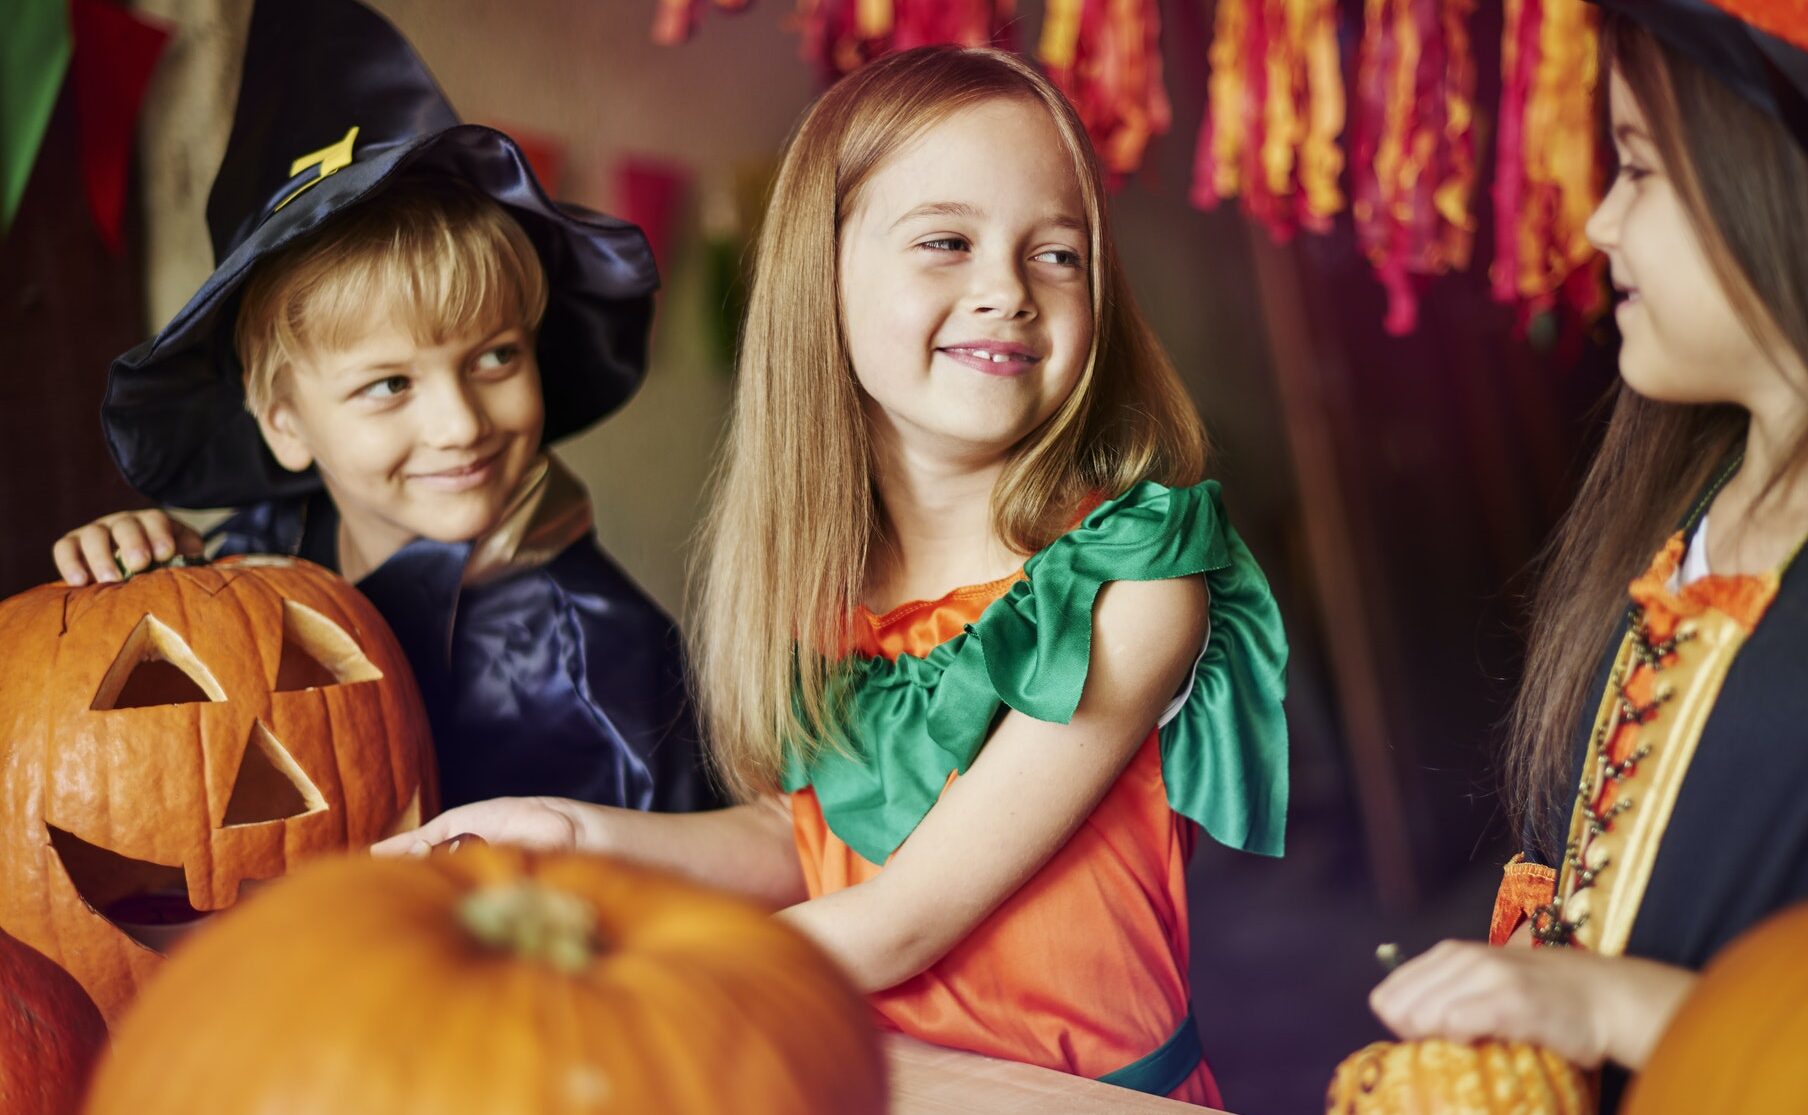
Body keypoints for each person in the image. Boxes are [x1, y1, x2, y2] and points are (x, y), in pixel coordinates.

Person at [378, 45, 1290, 1107]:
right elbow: (804, 839)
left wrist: (612, 975)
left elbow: (901, 917)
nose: (1005, 289)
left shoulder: (1130, 584)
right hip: (868, 1076)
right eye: (946, 241)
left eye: (1058, 254)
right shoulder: (826, 584)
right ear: (824, 277)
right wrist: (574, 831)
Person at [1368, 2, 1808, 1108]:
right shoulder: (1679, 512)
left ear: (1797, 195)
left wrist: (1617, 1006)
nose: (1601, 222)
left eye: (1639, 167)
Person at [51, 0, 713, 814]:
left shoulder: (607, 668)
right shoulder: (263, 552)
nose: (461, 424)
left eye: (496, 357)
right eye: (390, 384)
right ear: (285, 422)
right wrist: (141, 576)